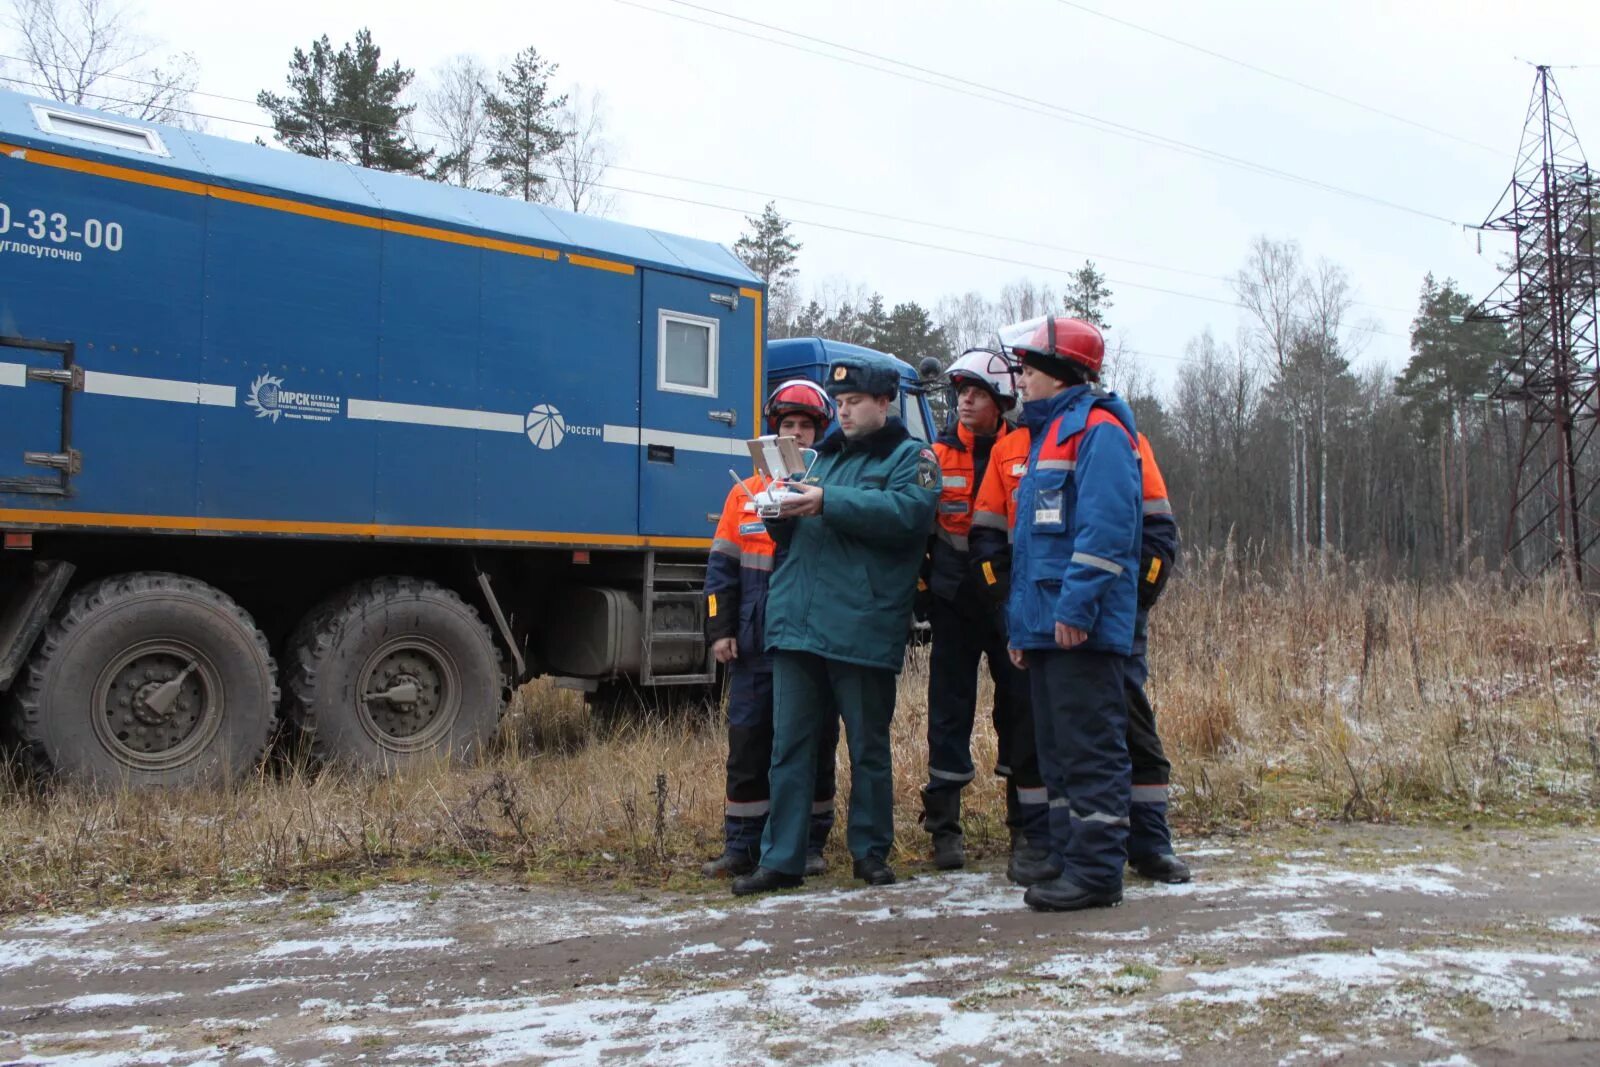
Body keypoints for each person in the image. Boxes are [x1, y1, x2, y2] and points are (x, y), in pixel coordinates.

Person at [731, 355, 940, 896]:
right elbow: (800, 537)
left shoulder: (912, 457)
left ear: (883, 403)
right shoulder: (819, 460)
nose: (843, 413)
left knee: (867, 746)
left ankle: (870, 853)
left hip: (861, 625)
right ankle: (783, 858)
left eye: (853, 404)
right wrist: (778, 515)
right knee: (790, 748)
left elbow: (906, 515)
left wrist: (826, 501)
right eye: (840, 405)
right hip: (797, 623)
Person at [972, 414, 1191, 886]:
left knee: (1129, 728)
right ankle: (1053, 846)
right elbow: (989, 537)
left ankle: (1150, 842)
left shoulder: (1116, 438)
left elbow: (1155, 529)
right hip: (1036, 622)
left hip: (1107, 619)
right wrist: (1014, 607)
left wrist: (1133, 604)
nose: (1025, 382)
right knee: (1043, 736)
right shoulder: (1010, 450)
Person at [999, 315, 1142, 912]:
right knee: (1058, 751)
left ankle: (1097, 872)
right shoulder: (1048, 435)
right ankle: (1067, 855)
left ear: (1060, 374)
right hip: (1048, 627)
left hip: (1079, 626)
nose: (1022, 380)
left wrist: (1077, 607)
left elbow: (1106, 532)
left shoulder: (1099, 431)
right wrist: (1021, 628)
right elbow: (1031, 547)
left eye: (1029, 369)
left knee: (1089, 748)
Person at [702, 379, 841, 879]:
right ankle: (742, 845)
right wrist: (720, 630)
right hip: (753, 645)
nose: (798, 434)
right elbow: (720, 569)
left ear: (820, 432)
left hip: (808, 643)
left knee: (813, 743)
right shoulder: (746, 494)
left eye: (806, 426)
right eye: (788, 426)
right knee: (748, 743)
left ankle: (809, 843)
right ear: (773, 433)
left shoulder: (829, 491)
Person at [920, 349, 1050, 879]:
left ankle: (1026, 827)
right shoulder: (933, 455)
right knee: (948, 712)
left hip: (1010, 601)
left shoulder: (1027, 448)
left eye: (975, 393)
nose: (964, 402)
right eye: (960, 393)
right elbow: (919, 530)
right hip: (953, 604)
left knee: (1020, 710)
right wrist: (924, 587)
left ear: (1001, 401)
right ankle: (944, 830)